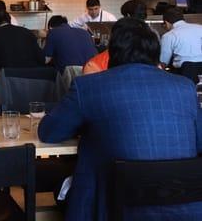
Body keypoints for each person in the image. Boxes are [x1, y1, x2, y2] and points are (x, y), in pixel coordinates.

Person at [38, 18, 202, 221]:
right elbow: (199, 141)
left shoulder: (88, 86)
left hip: (108, 206)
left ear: (112, 54)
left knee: (61, 186)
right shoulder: (185, 87)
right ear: (155, 54)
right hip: (183, 209)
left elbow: (49, 133)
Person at [82, 0, 148, 75]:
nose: (93, 12)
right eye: (91, 9)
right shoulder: (152, 34)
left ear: (128, 15)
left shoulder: (121, 28)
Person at [0, 10, 44, 75]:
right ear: (9, 20)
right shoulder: (27, 32)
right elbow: (41, 59)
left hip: (6, 79)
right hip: (30, 78)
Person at [160, 7, 202, 82]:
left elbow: (163, 63)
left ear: (166, 23)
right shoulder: (200, 27)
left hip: (184, 74)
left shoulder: (169, 35)